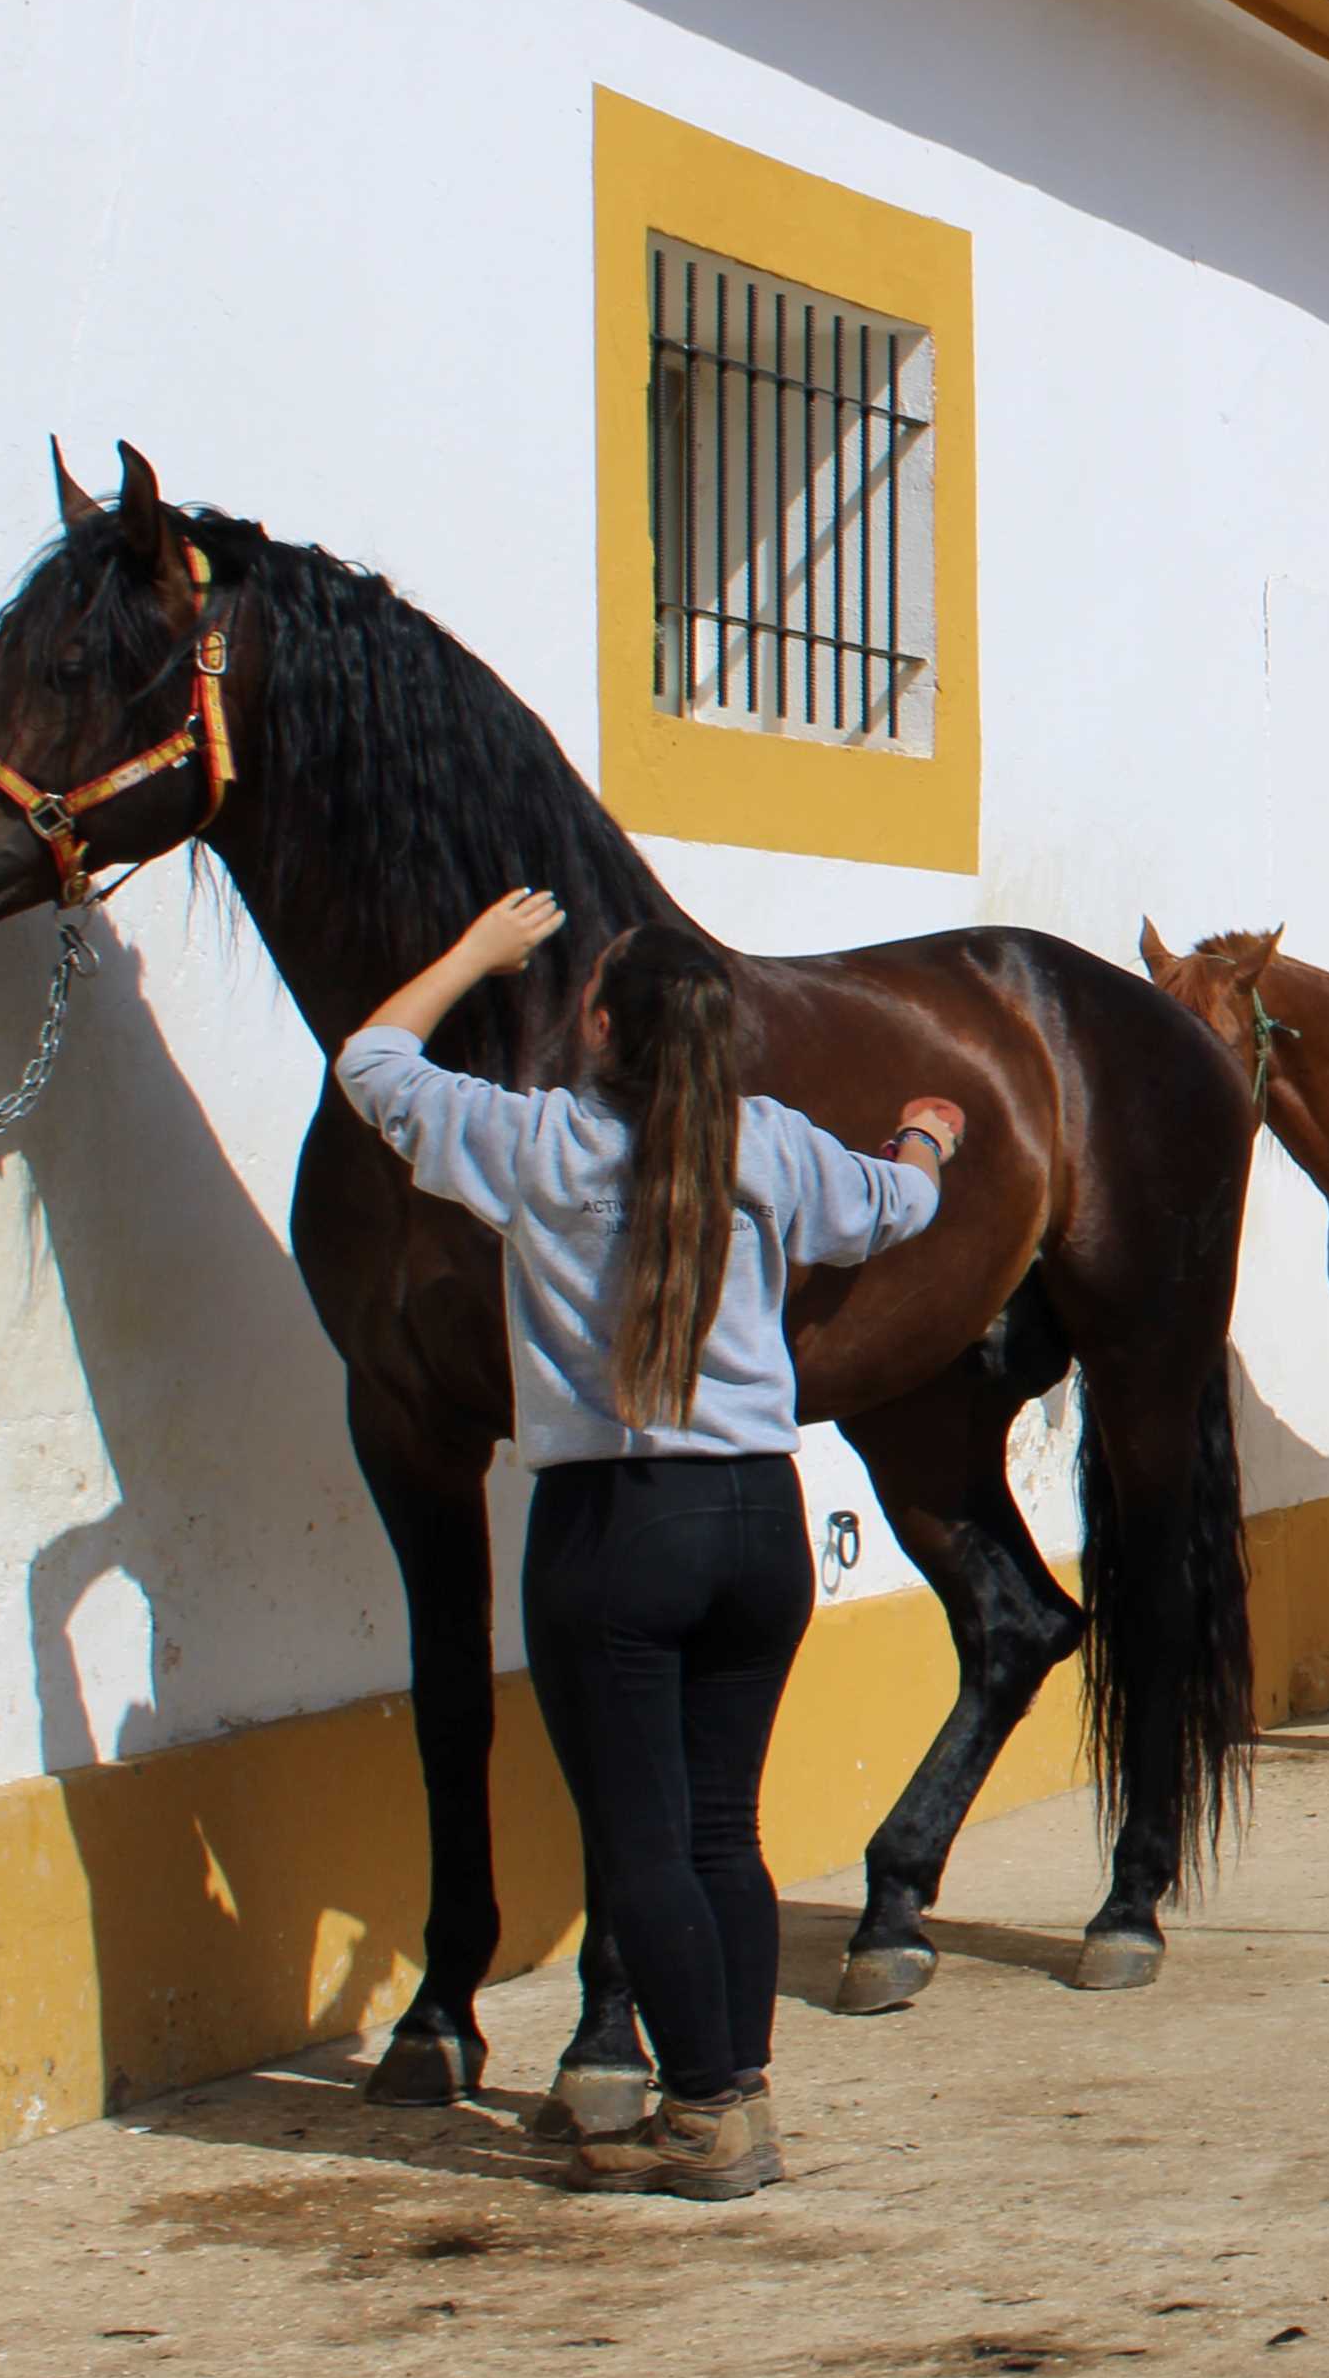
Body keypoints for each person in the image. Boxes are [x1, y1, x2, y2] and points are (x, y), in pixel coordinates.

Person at [336, 888, 964, 2195]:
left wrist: (471, 954)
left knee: (642, 1842)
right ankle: (740, 2097)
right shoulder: (773, 1144)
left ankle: (704, 2107)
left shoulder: (533, 1142)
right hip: (759, 1521)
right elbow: (895, 1213)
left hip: (616, 1529)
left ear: (599, 1021)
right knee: (725, 1831)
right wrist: (924, 1138)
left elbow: (371, 1064)